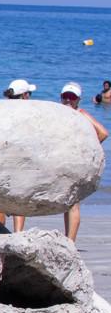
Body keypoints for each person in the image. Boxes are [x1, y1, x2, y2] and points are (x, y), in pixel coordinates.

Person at [59, 82, 109, 243]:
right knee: (67, 202)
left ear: (78, 99)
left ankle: (71, 242)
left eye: (71, 97)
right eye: (65, 96)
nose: (68, 100)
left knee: (73, 203)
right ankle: (68, 240)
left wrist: (87, 151)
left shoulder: (81, 113)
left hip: (76, 164)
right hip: (63, 162)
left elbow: (103, 133)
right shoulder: (59, 113)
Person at [0, 79, 36, 231]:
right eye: (30, 94)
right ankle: (18, 234)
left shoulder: (2, 109)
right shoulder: (28, 112)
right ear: (25, 95)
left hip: (1, 157)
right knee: (20, 197)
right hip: (21, 158)